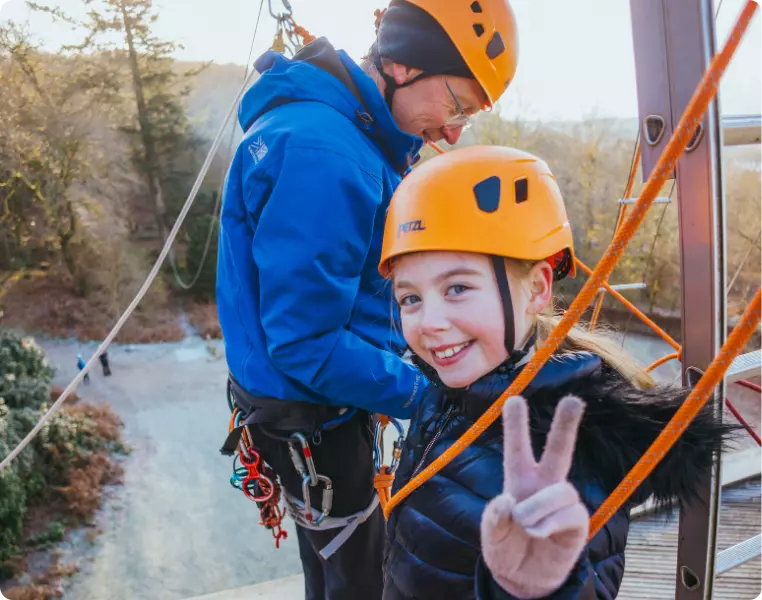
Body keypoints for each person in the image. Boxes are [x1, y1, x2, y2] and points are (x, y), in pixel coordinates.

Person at [215, 2, 519, 598]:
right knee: (359, 576)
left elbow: (338, 298)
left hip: (305, 403)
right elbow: (306, 342)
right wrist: (433, 397)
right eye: (456, 104)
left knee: (332, 565)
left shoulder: (341, 134)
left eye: (468, 117)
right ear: (404, 65)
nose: (454, 131)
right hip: (312, 412)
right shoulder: (327, 155)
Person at [377, 145, 736, 599]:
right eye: (410, 298)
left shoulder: (566, 450)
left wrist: (538, 586)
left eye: (458, 288)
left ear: (538, 289)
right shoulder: (455, 392)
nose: (428, 322)